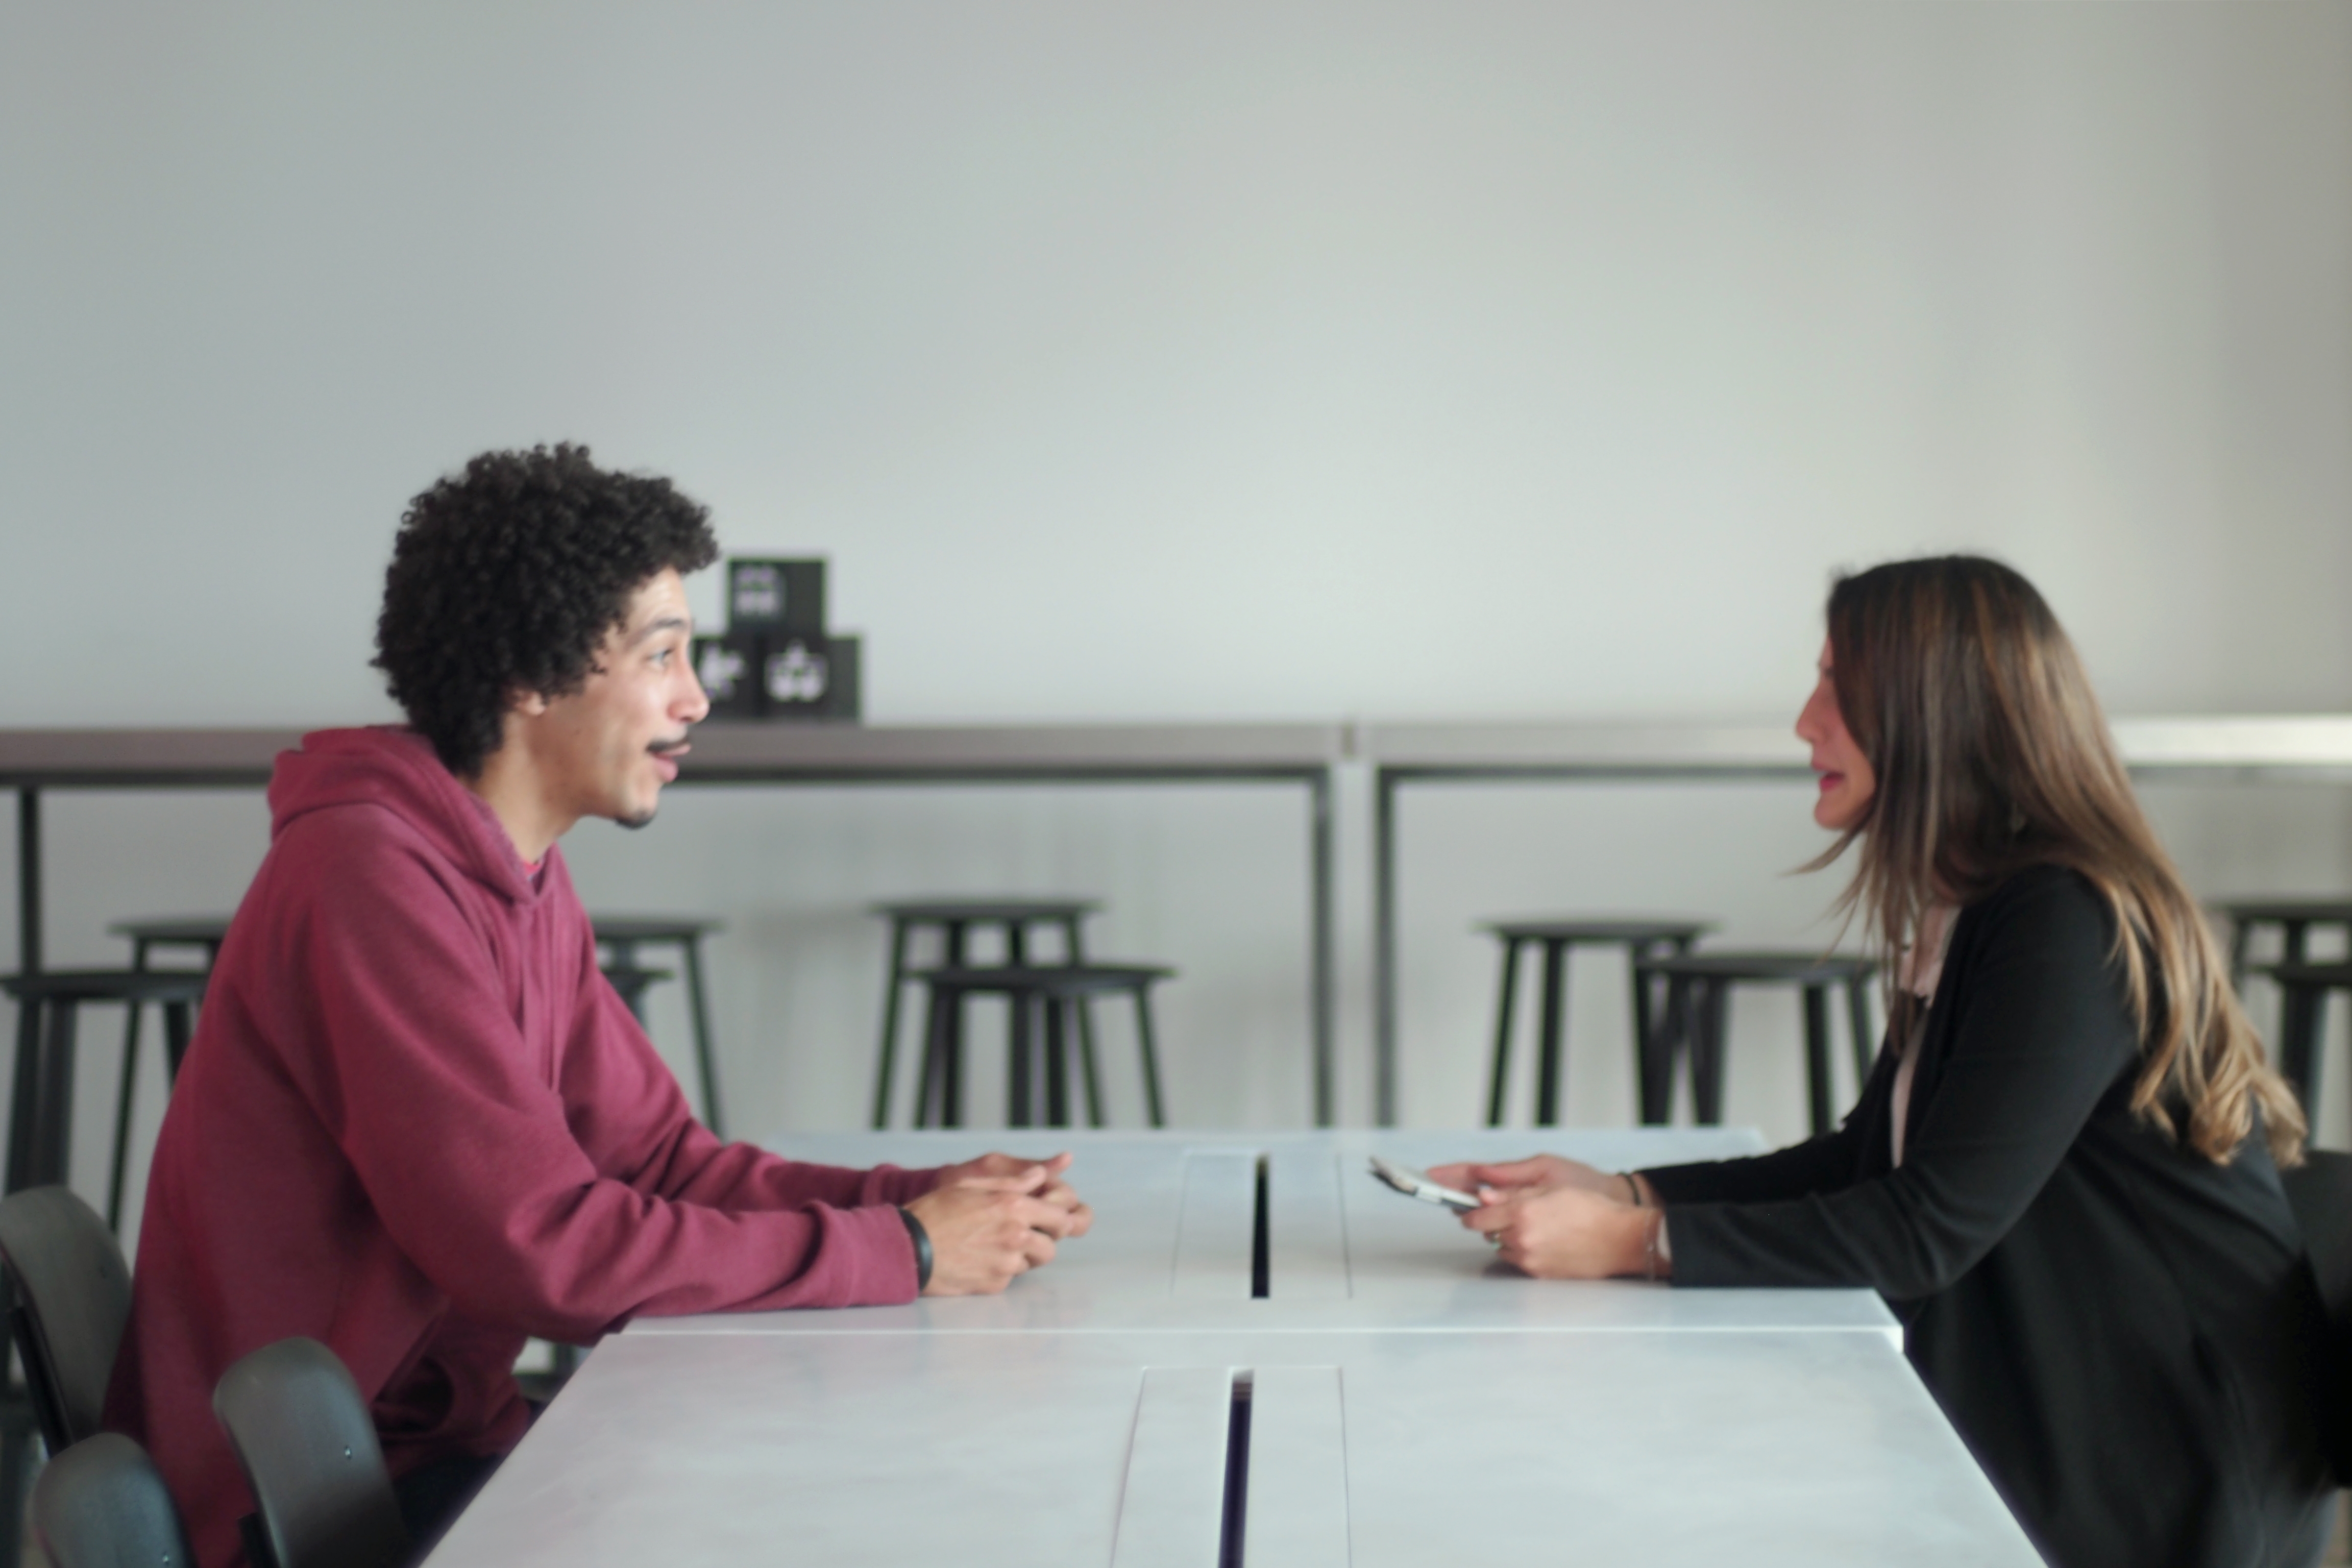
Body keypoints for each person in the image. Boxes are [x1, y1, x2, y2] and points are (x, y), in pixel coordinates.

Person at [104, 445, 1092, 1565]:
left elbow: (661, 1166)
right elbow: (542, 1254)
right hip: (304, 1512)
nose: (695, 697)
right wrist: (902, 1252)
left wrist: (927, 1200)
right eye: (661, 655)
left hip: (432, 1455)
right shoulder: (367, 879)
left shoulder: (509, 867)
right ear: (531, 675)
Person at [1430, 556, 2334, 1568]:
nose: (1806, 722)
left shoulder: (2060, 920)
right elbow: (1867, 1161)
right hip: (2075, 1422)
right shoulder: (1981, 902)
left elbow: (1927, 1226)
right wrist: (1622, 1188)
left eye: (1837, 688)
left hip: (2170, 1471)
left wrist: (1638, 1241)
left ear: (1935, 713)